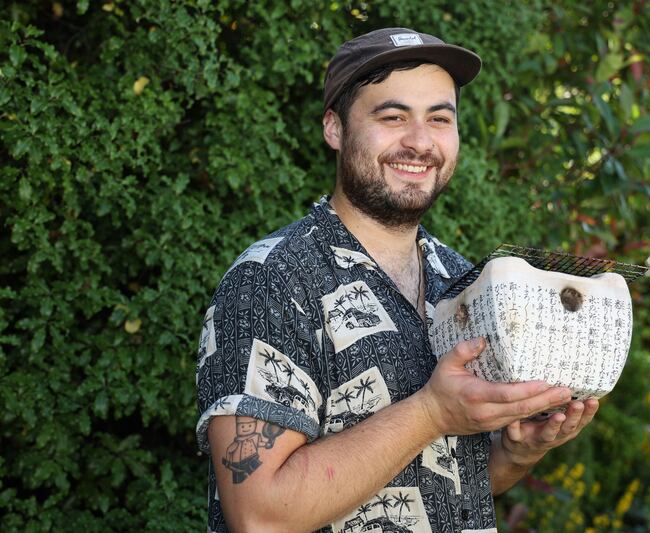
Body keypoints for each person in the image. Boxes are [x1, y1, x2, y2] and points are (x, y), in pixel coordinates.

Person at [195, 27, 599, 533]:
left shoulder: (461, 280)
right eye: (393, 117)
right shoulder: (271, 283)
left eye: (439, 119)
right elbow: (258, 516)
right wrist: (432, 412)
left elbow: (448, 483)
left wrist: (516, 453)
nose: (420, 142)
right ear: (334, 128)